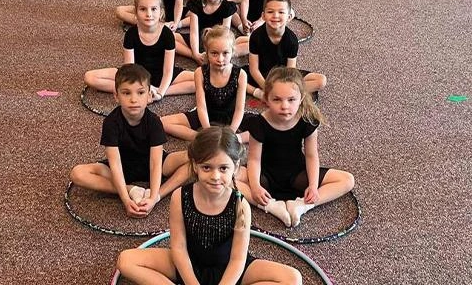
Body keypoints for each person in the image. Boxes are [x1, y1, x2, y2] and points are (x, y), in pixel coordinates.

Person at [116, 126, 302, 285]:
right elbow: (179, 249)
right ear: (195, 166)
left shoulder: (240, 204)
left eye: (223, 168)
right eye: (207, 167)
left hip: (229, 269)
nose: (215, 176)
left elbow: (238, 259)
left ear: (236, 167)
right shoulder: (180, 197)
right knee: (125, 260)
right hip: (189, 264)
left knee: (293, 278)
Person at [237, 67, 355, 227]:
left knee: (347, 180)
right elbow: (254, 159)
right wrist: (255, 186)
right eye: (277, 100)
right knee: (224, 177)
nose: (284, 106)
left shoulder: (307, 120)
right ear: (266, 99)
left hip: (298, 175)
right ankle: (271, 206)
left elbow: (312, 156)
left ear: (301, 98)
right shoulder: (258, 123)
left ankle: (302, 206)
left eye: (291, 100)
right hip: (265, 176)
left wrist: (313, 186)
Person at [70, 64, 191, 218]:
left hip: (157, 164)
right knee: (77, 173)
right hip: (123, 167)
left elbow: (155, 163)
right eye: (126, 93)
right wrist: (126, 198)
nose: (134, 99)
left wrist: (154, 197)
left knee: (196, 158)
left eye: (140, 93)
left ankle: (161, 193)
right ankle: (131, 189)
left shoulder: (154, 122)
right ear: (116, 96)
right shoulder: (111, 123)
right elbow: (115, 164)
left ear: (149, 95)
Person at [85, 0, 194, 101]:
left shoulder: (167, 35)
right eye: (143, 9)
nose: (149, 14)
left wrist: (160, 93)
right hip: (137, 75)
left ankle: (150, 92)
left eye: (153, 9)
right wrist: (137, 85)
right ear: (136, 13)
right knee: (90, 77)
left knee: (200, 80)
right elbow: (130, 68)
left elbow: (168, 71)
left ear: (161, 12)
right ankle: (142, 91)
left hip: (161, 73)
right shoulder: (131, 34)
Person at [162, 25, 252, 143]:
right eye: (214, 53)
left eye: (225, 53)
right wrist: (207, 130)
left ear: (232, 52)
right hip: (206, 114)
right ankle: (202, 138)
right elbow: (202, 107)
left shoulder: (241, 74)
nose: (220, 59)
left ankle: (236, 139)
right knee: (161, 123)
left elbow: (239, 109)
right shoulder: (200, 73)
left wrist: (232, 131)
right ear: (207, 52)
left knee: (266, 127)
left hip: (232, 114)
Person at [242, 0, 327, 100]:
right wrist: (266, 87)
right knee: (234, 77)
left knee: (321, 80)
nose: (275, 15)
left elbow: (290, 70)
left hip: (283, 76)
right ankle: (261, 93)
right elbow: (254, 70)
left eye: (281, 12)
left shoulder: (291, 40)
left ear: (289, 17)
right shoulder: (256, 36)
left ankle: (280, 93)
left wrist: (283, 86)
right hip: (261, 75)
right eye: (270, 12)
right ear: (263, 16)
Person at [175, 0, 247, 64]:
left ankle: (216, 56)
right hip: (200, 40)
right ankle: (193, 55)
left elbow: (224, 34)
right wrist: (195, 54)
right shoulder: (196, 4)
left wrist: (217, 51)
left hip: (219, 44)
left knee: (251, 42)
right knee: (169, 37)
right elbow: (194, 32)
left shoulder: (227, 6)